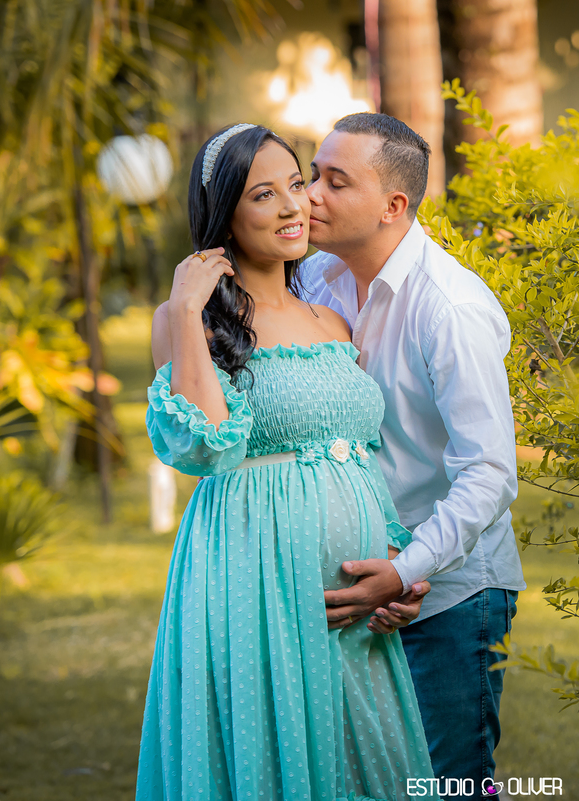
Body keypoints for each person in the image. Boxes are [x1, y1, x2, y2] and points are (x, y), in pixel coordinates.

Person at [136, 123, 435, 801]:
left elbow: (362, 457)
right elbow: (206, 446)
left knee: (370, 765)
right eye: (263, 194)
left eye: (296, 184)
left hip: (356, 604)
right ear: (225, 217)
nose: (293, 205)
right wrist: (185, 308)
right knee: (272, 759)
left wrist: (398, 564)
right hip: (252, 577)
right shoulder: (189, 323)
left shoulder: (331, 321)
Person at [300, 113, 526, 792]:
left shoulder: (449, 308)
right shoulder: (314, 280)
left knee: (447, 784)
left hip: (451, 596)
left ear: (393, 205)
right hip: (356, 589)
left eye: (336, 182)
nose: (310, 194)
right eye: (314, 174)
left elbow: (490, 473)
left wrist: (405, 572)